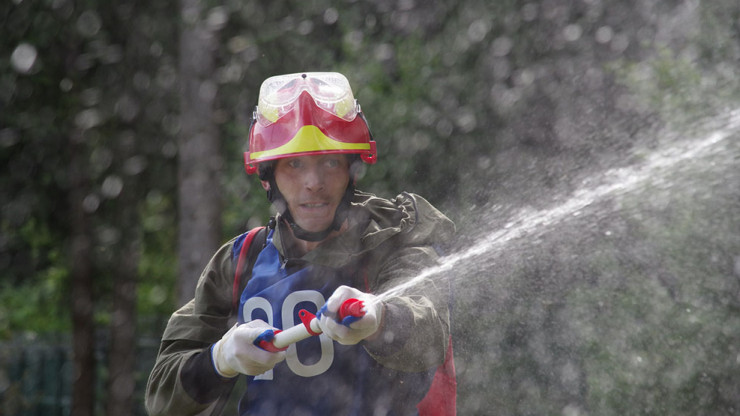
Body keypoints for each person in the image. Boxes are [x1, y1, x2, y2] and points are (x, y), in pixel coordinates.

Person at [145, 72, 456, 415]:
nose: (314, 182)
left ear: (352, 170)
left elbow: (429, 332)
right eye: (294, 164)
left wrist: (379, 319)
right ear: (267, 179)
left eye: (330, 161)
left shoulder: (396, 240)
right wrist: (220, 359)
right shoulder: (239, 262)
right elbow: (162, 401)